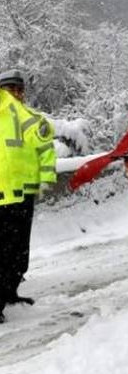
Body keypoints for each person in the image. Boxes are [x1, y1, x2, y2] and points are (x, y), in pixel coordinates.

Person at [0, 68, 56, 323]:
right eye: (12, 88)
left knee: (18, 252)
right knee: (5, 251)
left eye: (20, 89)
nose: (17, 93)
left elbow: (45, 149)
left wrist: (46, 179)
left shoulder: (28, 118)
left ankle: (9, 293)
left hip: (23, 196)